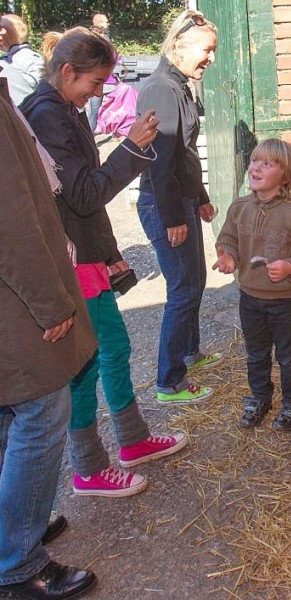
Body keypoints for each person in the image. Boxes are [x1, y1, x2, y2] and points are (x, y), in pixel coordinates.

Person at [21, 27, 188, 498]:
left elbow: (83, 198)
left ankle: (132, 441)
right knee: (87, 361)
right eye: (94, 83)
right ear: (67, 71)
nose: (99, 93)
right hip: (72, 261)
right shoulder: (48, 115)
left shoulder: (63, 110)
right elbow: (84, 193)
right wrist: (132, 147)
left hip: (86, 256)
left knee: (110, 350)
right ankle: (89, 467)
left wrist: (110, 252)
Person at [0, 77, 98, 599]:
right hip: (14, 300)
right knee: (41, 412)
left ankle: (12, 530)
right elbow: (10, 221)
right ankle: (16, 563)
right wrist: (51, 299)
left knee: (9, 414)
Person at [136, 10, 221, 405]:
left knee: (195, 280)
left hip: (180, 198)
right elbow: (159, 158)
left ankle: (190, 353)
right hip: (163, 202)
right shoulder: (161, 88)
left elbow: (184, 154)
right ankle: (169, 382)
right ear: (180, 45)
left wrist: (199, 198)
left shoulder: (179, 84)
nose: (211, 59)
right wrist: (172, 216)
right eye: (207, 50)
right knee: (183, 287)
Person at [213, 138, 291, 431]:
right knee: (256, 352)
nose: (256, 168)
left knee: (287, 355)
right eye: (254, 161)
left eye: (267, 163)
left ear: (285, 175)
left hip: (283, 299)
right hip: (249, 296)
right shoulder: (238, 208)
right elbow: (227, 239)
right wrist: (227, 257)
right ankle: (260, 397)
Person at [0, 13, 44, 105]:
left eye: (2, 27)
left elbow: (42, 80)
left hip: (25, 109)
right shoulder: (8, 58)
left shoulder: (26, 55)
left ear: (19, 31)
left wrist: (15, 78)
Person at [86, 13, 110, 132]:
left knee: (92, 111)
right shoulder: (102, 40)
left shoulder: (88, 36)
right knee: (94, 111)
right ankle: (90, 138)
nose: (108, 24)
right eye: (106, 22)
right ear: (99, 23)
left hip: (93, 78)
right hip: (98, 79)